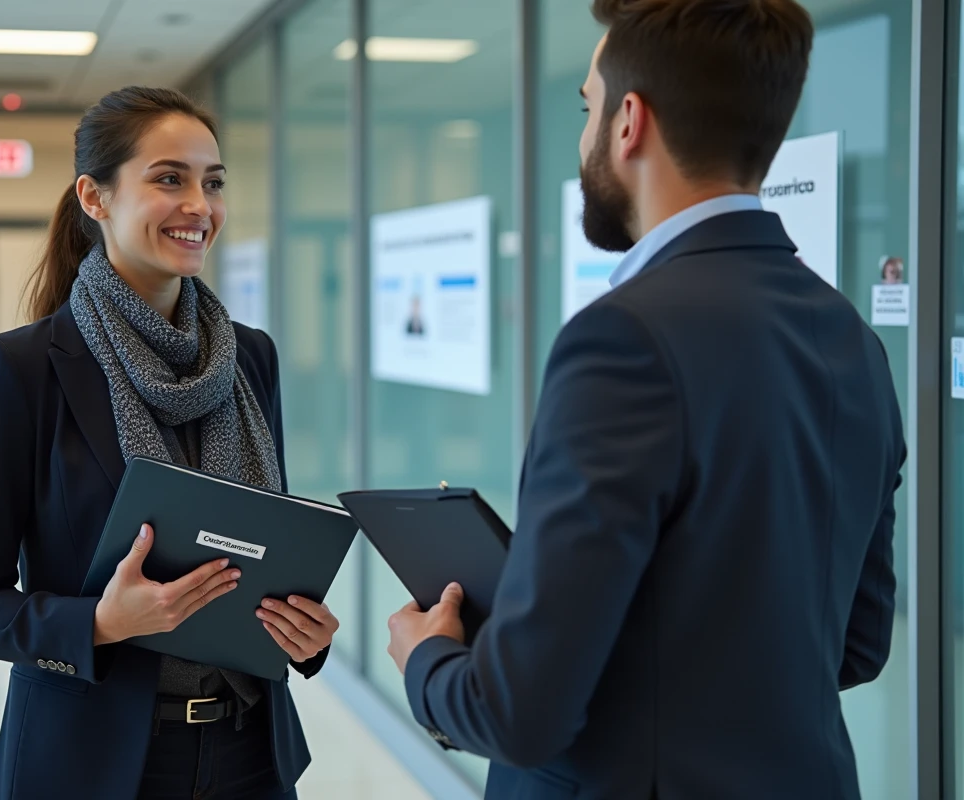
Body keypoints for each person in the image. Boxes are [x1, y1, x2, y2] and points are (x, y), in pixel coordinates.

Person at [385, 2, 906, 799]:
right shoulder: (852, 340)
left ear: (629, 122)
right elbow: (858, 644)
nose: (586, 132)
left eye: (588, 107)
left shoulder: (623, 338)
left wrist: (428, 659)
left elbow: (519, 713)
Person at [0, 87, 339, 800]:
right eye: (168, 178)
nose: (200, 206)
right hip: (91, 763)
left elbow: (264, 545)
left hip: (250, 753)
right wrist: (97, 621)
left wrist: (306, 636)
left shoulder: (252, 358)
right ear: (94, 197)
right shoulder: (21, 369)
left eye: (212, 183)